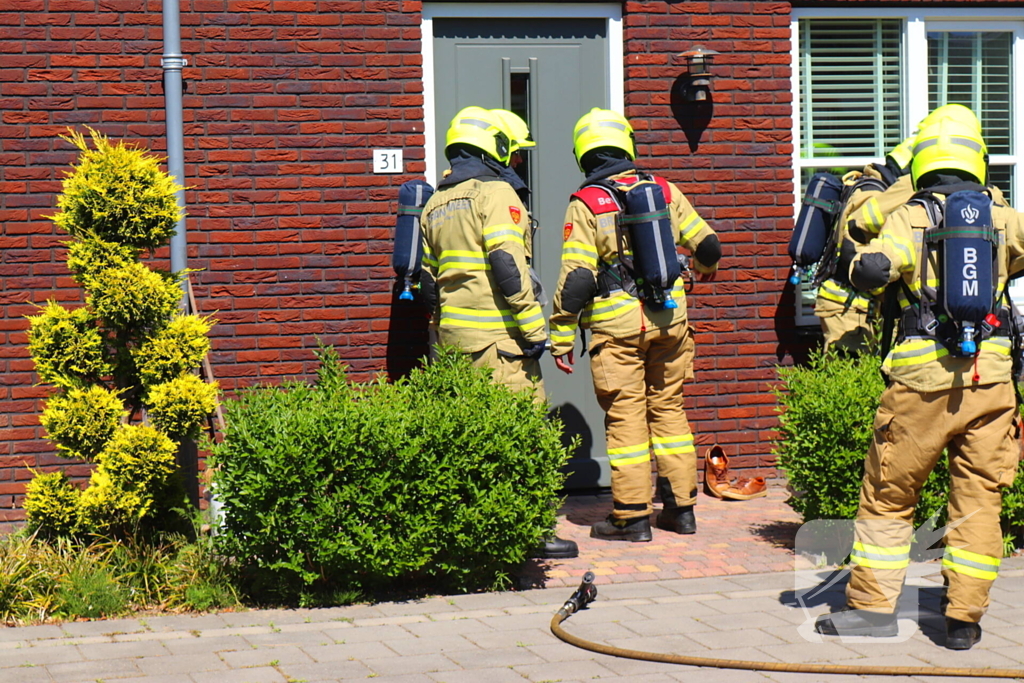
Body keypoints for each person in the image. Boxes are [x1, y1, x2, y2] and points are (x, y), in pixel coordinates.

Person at [814, 110, 1024, 650]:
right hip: (992, 380)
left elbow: (877, 268)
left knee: (889, 497)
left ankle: (871, 613)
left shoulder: (909, 216)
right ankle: (963, 621)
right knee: (979, 499)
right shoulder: (1002, 217)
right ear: (976, 158)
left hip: (922, 384)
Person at [549, 108, 721, 542]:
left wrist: (561, 335)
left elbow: (577, 280)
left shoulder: (586, 203)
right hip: (671, 321)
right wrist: (702, 269)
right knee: (669, 410)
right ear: (627, 144)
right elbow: (708, 245)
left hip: (619, 328)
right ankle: (681, 511)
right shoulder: (662, 189)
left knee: (626, 420)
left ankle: (632, 518)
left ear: (583, 154)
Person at [419, 106, 578, 560]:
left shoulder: (435, 202)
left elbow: (428, 284)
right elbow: (508, 264)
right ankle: (535, 531)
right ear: (496, 146)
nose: (516, 162)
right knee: (526, 434)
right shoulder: (495, 193)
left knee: (468, 439)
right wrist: (534, 331)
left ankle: (475, 537)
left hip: (453, 347)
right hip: (500, 346)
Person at [814, 105, 986, 352]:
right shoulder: (913, 184)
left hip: (871, 299)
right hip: (850, 302)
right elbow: (860, 224)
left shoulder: (910, 172)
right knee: (856, 377)